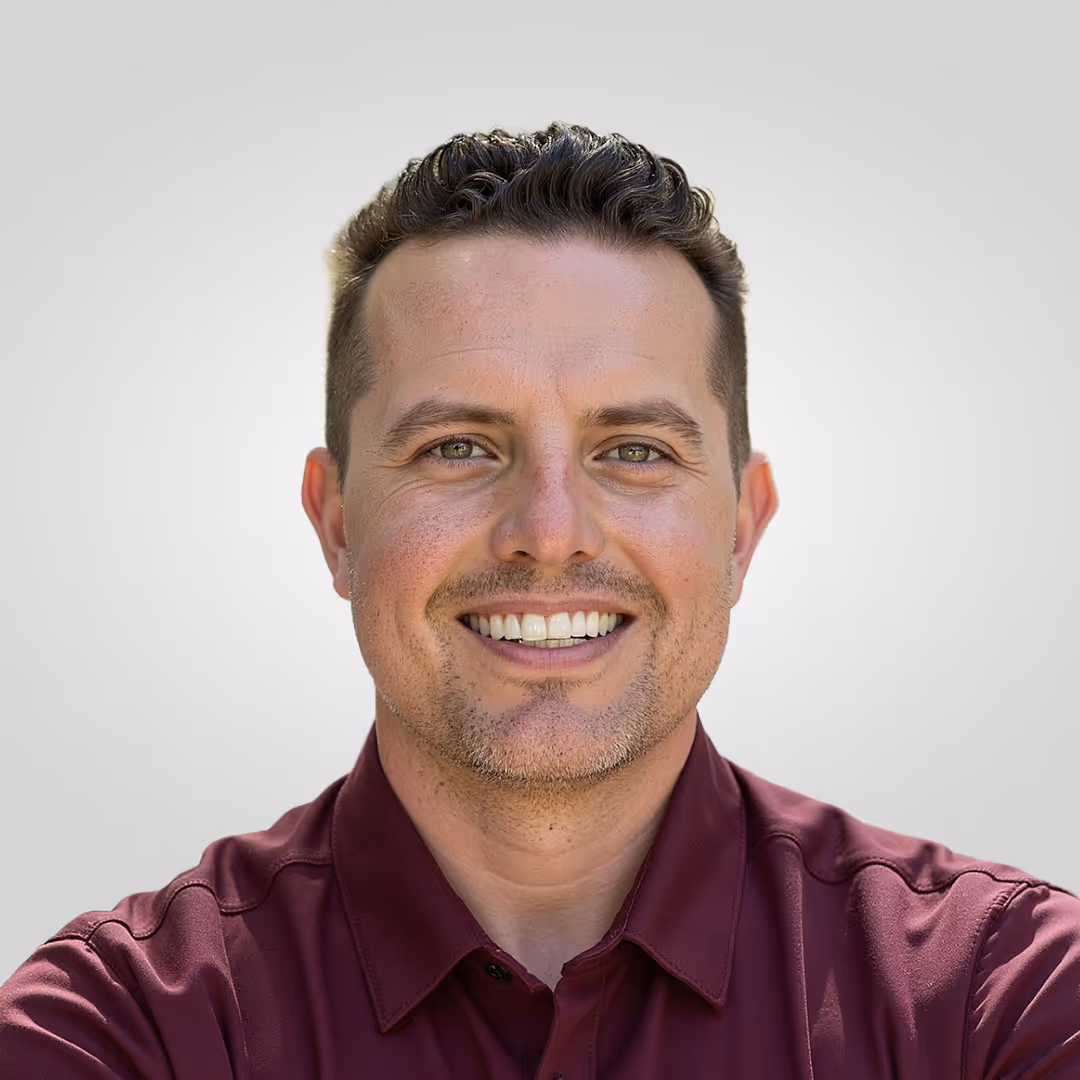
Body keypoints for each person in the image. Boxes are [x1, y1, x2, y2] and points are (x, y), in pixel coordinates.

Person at [1, 122, 1076, 1079]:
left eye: (636, 449)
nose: (551, 530)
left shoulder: (999, 996)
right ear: (336, 524)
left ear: (742, 529)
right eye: (457, 446)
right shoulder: (124, 1029)